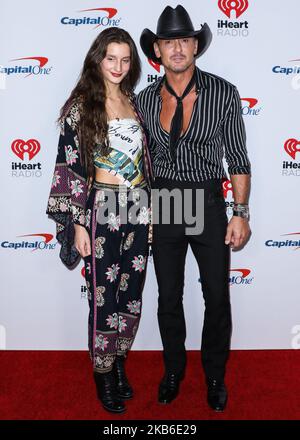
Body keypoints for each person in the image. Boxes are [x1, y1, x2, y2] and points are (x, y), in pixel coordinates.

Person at [137, 5, 251, 412]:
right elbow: (138, 162)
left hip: (206, 199)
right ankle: (173, 371)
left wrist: (241, 212)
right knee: (168, 296)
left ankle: (216, 376)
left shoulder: (223, 92)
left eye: (184, 40)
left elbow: (237, 157)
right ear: (158, 50)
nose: (178, 48)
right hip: (165, 201)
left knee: (217, 296)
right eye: (169, 41)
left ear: (196, 46)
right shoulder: (145, 99)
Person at [46, 27, 152, 414]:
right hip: (101, 209)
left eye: (125, 60)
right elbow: (70, 165)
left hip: (138, 206)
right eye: (111, 58)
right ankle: (103, 373)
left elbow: (145, 162)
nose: (118, 66)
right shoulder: (81, 105)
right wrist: (77, 223)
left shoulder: (132, 101)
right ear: (98, 59)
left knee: (131, 292)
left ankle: (120, 362)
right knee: (104, 296)